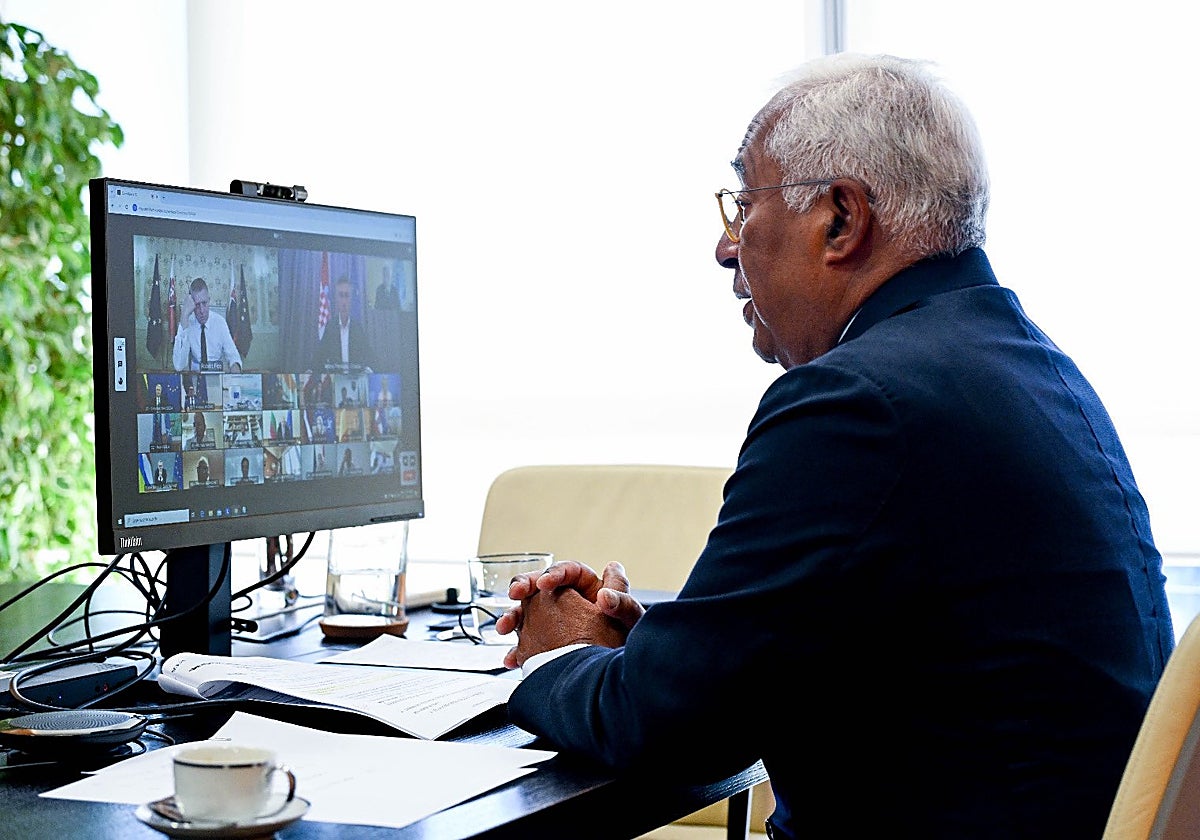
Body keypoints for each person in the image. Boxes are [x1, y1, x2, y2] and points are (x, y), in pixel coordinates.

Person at [495, 54, 1174, 840]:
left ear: (842, 219)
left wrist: (550, 657)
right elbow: (874, 653)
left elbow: (667, 733)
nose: (725, 247)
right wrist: (654, 652)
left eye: (743, 203)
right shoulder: (1026, 367)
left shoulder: (858, 405)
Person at [172, 277, 243, 373]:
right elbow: (178, 365)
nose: (202, 310)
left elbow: (233, 356)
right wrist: (184, 315)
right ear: (192, 304)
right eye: (197, 305)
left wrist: (235, 369)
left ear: (209, 300)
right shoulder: (187, 323)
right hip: (195, 379)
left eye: (204, 303)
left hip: (217, 377)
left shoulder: (220, 322)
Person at [312, 277, 375, 372]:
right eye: (341, 296)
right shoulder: (330, 327)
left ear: (351, 299)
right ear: (336, 299)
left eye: (347, 295)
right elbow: (319, 358)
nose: (344, 301)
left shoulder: (357, 328)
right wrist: (310, 371)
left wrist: (370, 369)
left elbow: (369, 357)